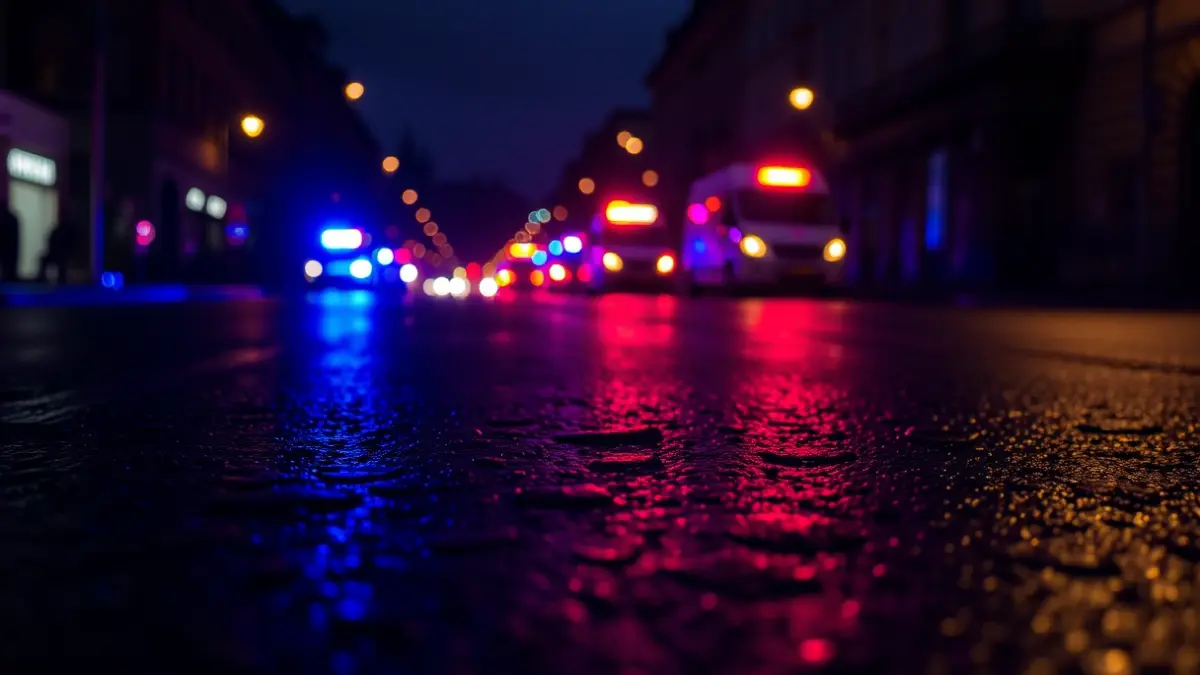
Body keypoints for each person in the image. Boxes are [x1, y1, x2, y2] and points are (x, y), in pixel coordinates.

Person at [0, 198, 19, 282]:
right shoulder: (12, 219)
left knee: (8, 268)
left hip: (8, 249)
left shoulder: (8, 219)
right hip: (10, 249)